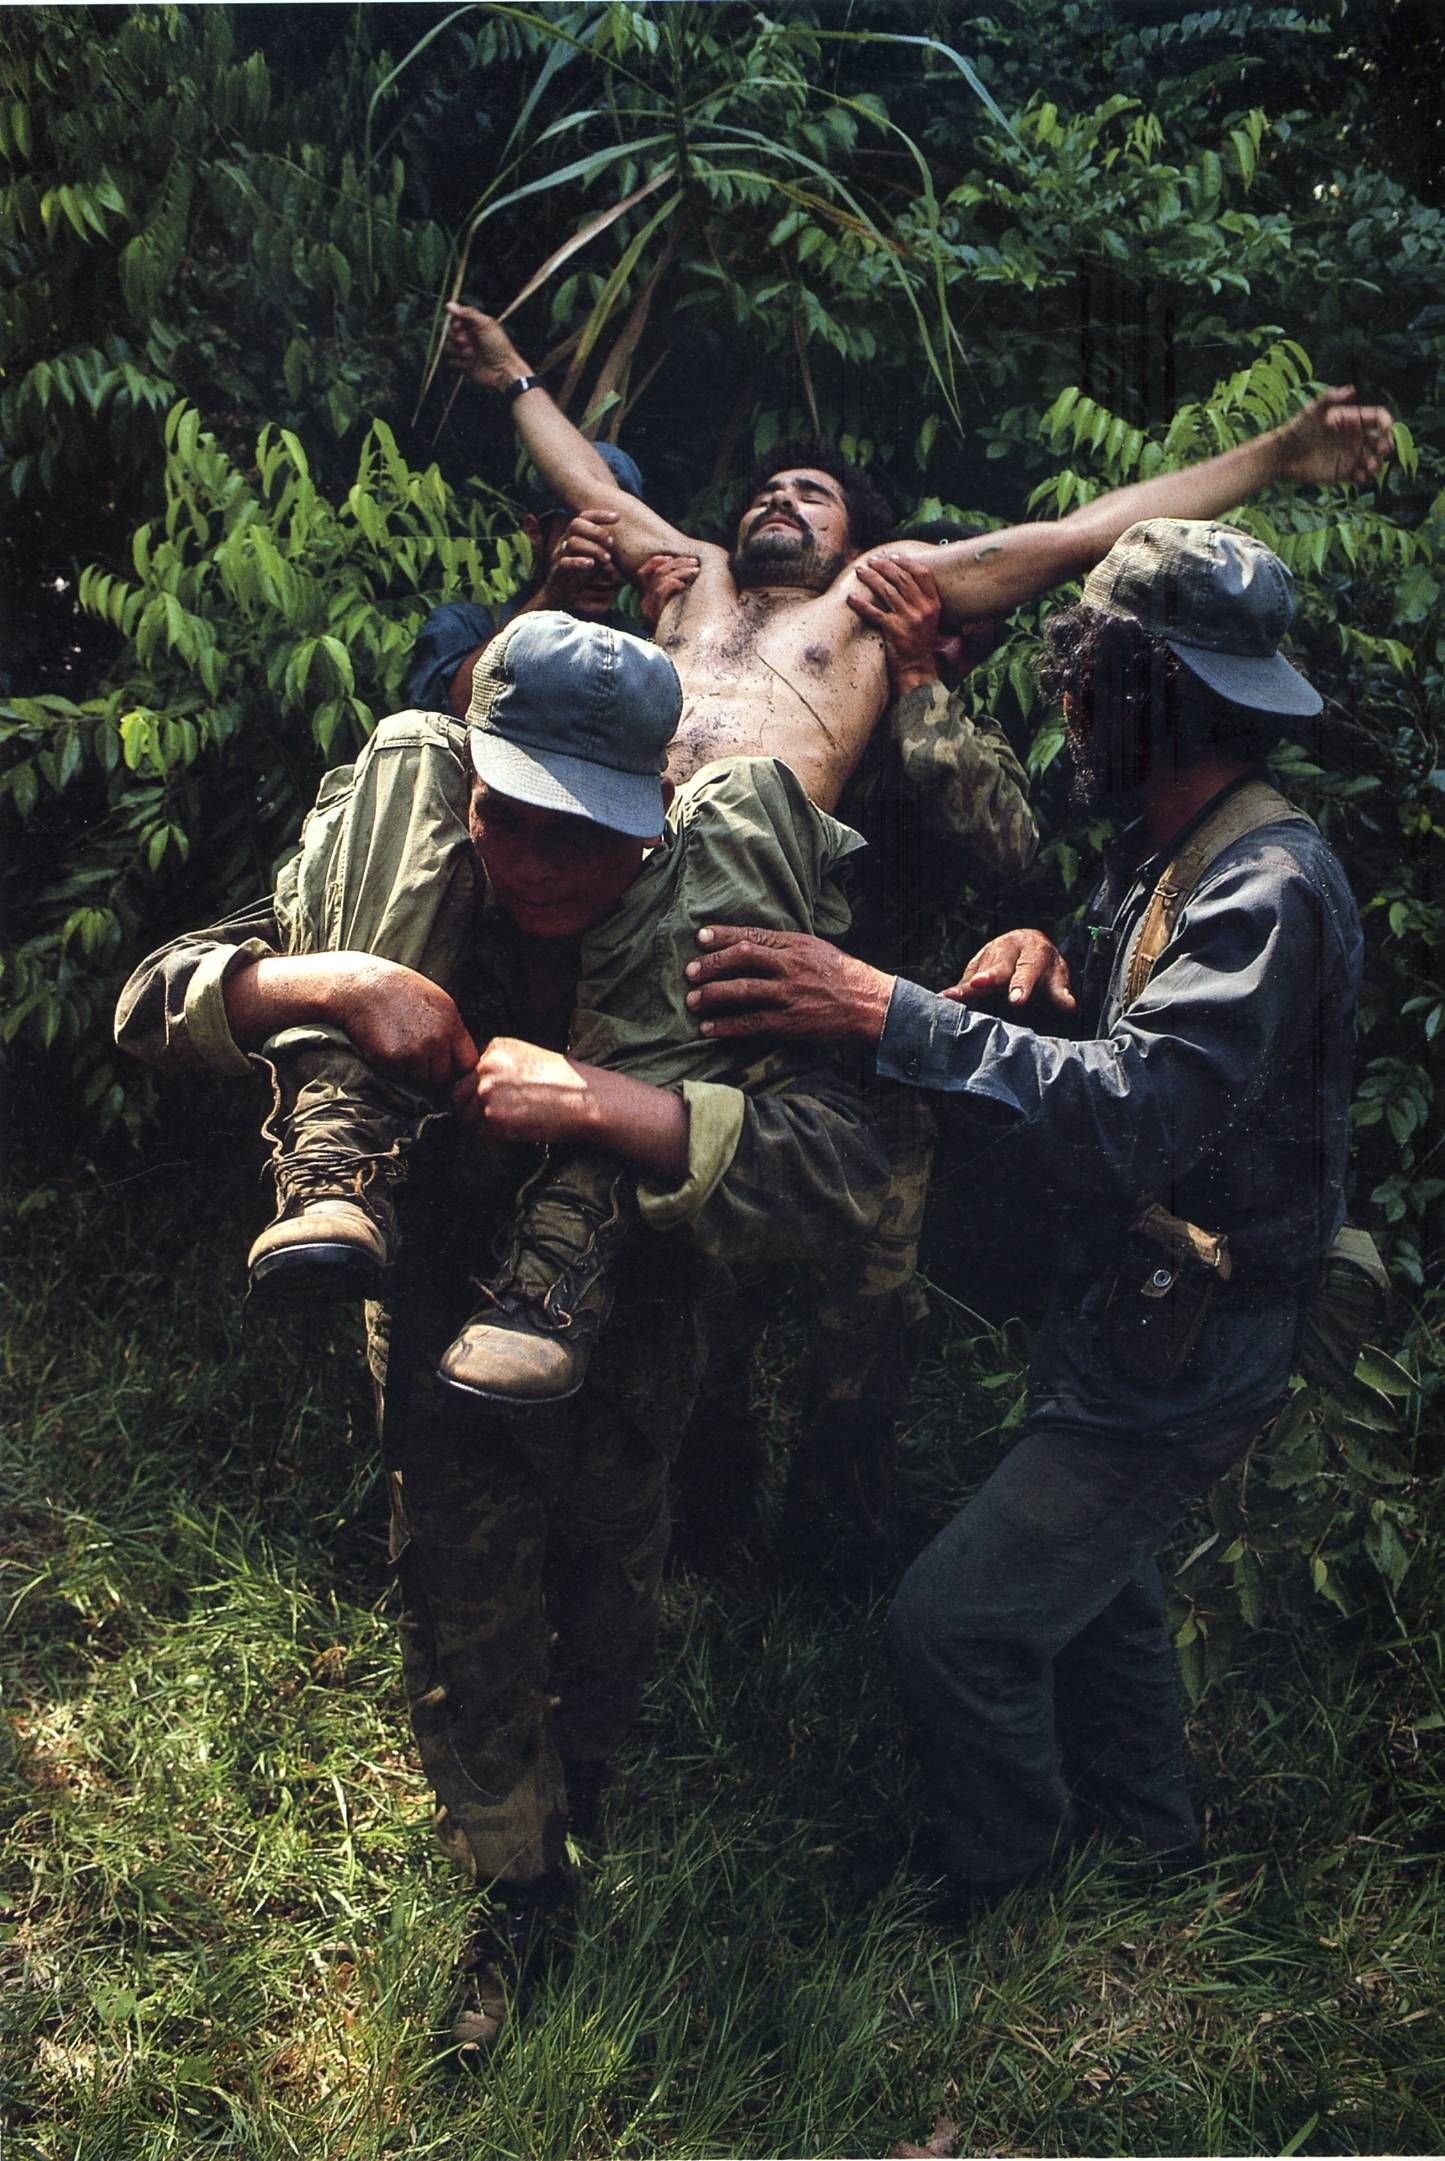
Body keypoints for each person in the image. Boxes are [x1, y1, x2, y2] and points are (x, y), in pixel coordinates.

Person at [114, 616, 887, 2046]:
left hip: (639, 1309)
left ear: (650, 824)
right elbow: (148, 1005)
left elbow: (842, 1167)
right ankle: (518, 1890)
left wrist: (618, 1112)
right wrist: (326, 984)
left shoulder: (718, 908)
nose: (537, 864)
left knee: (607, 1581)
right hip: (432, 1284)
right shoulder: (405, 873)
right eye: (508, 816)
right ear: (473, 788)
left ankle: (582, 1785)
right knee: (461, 1585)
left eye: (583, 836)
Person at [683, 518, 1365, 1901]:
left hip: (1193, 1345)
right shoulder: (1162, 840)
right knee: (1100, 1590)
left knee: (955, 1626)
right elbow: (1129, 993)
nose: (1059, 707)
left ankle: (992, 1890)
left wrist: (882, 1008)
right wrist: (1046, 946)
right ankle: (1152, 1853)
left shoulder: (1267, 885)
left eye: (1077, 684)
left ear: (1146, 695)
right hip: (1125, 1314)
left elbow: (1135, 1114)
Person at [406, 439, 646, 719]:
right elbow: (440, 720)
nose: (606, 563)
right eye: (587, 541)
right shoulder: (462, 627)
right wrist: (550, 600)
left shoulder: (638, 648)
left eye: (619, 544)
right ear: (534, 532)